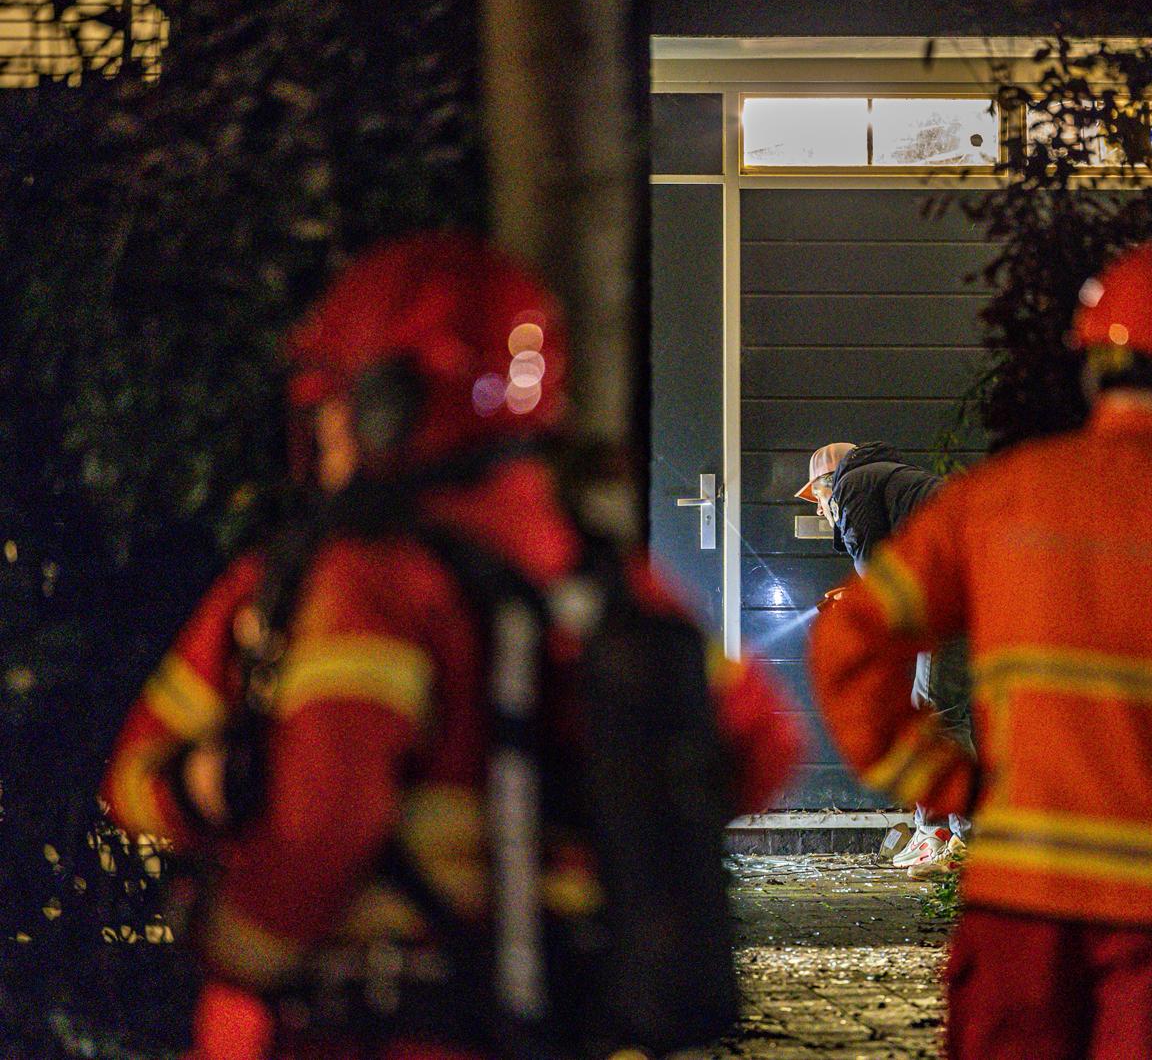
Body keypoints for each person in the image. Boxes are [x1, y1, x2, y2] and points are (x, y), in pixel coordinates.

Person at [102, 232, 803, 1060]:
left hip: (370, 1035)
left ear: (387, 404)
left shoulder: (355, 583)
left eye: (333, 398)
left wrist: (238, 934)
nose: (322, 427)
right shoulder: (600, 576)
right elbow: (764, 747)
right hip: (566, 1029)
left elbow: (320, 815)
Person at [809, 241, 1152, 1060]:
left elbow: (851, 641)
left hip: (1019, 914)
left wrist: (946, 784)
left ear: (1092, 367)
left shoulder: (1000, 499)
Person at [798, 441, 973, 876]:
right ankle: (933, 831)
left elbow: (874, 568)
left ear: (827, 482)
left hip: (955, 602)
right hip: (958, 597)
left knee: (940, 709)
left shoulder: (852, 485)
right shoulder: (889, 483)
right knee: (929, 704)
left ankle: (969, 842)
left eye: (817, 498)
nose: (820, 510)